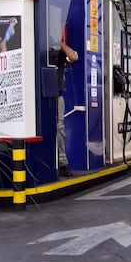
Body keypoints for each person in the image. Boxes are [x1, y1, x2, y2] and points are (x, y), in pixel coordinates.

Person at [55, 37, 79, 177]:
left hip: (57, 95)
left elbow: (74, 56)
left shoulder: (59, 50)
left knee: (59, 128)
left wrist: (62, 44)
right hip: (40, 96)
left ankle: (62, 163)